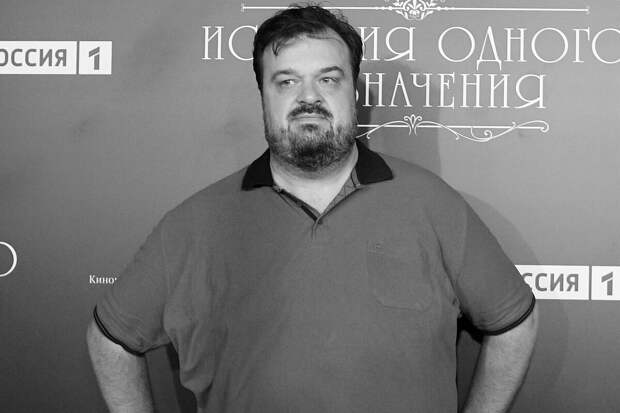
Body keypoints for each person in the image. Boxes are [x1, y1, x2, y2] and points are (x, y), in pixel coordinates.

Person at [86, 5, 538, 413]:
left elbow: (514, 322)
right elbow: (110, 341)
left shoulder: (432, 203)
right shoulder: (195, 223)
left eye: (328, 79)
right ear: (263, 96)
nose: (308, 97)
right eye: (286, 81)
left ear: (354, 92)